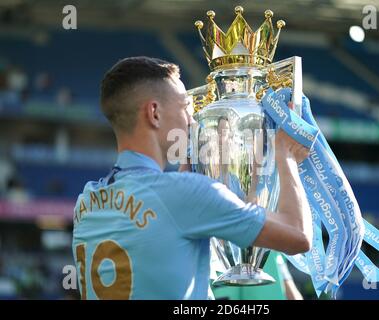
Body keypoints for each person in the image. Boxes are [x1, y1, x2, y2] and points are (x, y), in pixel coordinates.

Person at [72, 56, 312, 300]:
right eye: (184, 107)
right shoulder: (185, 195)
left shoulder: (86, 203)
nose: (192, 120)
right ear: (154, 113)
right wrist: (286, 154)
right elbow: (298, 235)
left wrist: (191, 161)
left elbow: (163, 232)